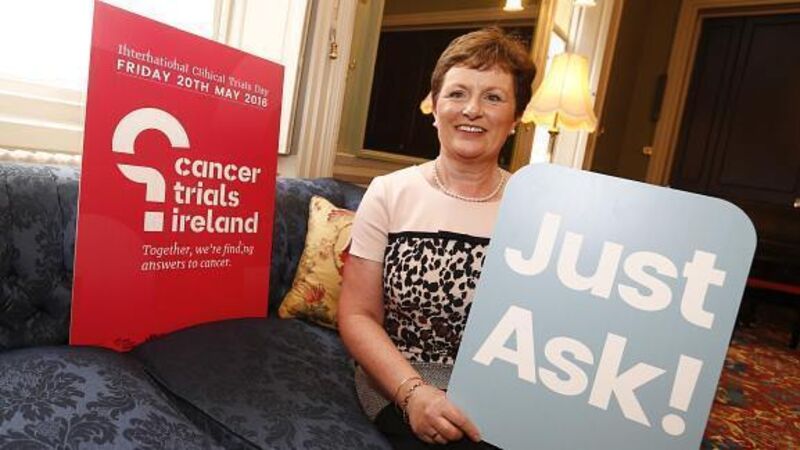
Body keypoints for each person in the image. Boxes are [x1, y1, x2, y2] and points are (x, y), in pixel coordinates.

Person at [339, 27, 536, 449]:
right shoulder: (389, 192)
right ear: (435, 106)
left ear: (516, 118)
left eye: (493, 97)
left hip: (501, 393)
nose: (472, 110)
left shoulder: (538, 210)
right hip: (401, 381)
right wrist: (415, 395)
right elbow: (357, 315)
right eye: (457, 93)